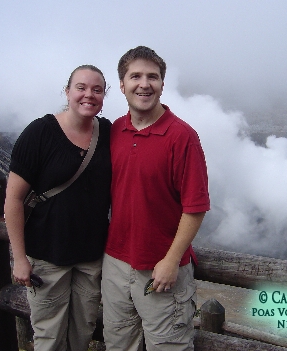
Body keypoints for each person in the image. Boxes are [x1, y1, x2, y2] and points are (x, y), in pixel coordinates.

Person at [102, 46, 210, 351]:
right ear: (122, 85)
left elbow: (196, 206)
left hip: (162, 267)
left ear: (163, 84)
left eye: (153, 76)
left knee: (168, 346)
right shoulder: (115, 131)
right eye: (135, 76)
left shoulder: (181, 136)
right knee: (118, 344)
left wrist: (171, 260)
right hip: (116, 263)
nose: (144, 84)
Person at [4, 65, 112, 351]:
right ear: (67, 92)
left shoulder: (108, 134)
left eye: (97, 89)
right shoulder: (40, 133)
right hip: (46, 256)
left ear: (104, 95)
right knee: (49, 336)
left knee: (82, 331)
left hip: (90, 257)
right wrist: (20, 258)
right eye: (81, 87)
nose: (88, 95)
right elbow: (13, 200)